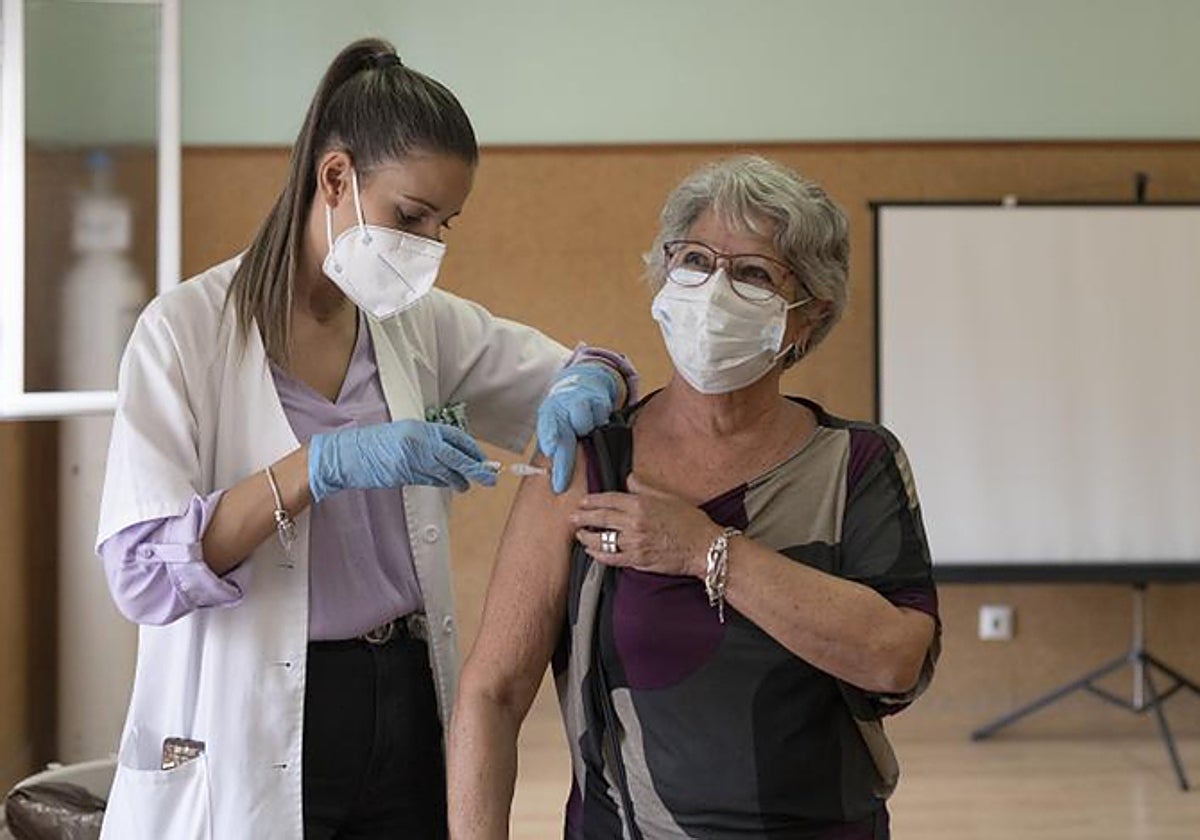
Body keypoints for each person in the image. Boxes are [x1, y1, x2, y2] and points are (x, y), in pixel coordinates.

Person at [95, 38, 636, 839]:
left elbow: (585, 369)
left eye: (445, 225)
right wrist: (319, 465)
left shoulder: (414, 325)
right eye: (410, 218)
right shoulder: (185, 332)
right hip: (263, 710)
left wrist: (591, 382)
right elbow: (142, 572)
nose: (429, 247)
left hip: (404, 692)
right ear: (335, 178)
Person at [449, 155, 940, 839]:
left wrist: (706, 551)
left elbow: (895, 659)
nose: (713, 291)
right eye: (695, 260)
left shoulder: (854, 464)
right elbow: (492, 694)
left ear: (808, 317)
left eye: (753, 274)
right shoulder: (593, 458)